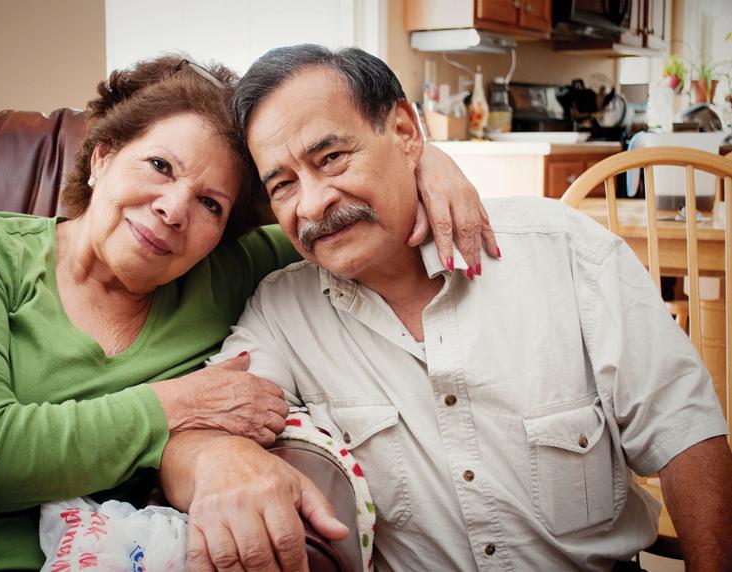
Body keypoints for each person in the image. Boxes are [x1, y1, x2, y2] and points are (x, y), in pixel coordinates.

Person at [0, 55, 496, 570]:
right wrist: (177, 405)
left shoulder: (221, 273)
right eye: (159, 166)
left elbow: (336, 214)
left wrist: (422, 162)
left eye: (211, 204)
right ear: (102, 158)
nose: (174, 209)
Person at [159, 45, 732, 571]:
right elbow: (196, 430)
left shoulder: (563, 252)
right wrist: (218, 460)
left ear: (406, 132)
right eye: (282, 185)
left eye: (332, 157)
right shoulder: (285, 311)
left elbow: (684, 433)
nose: (312, 203)